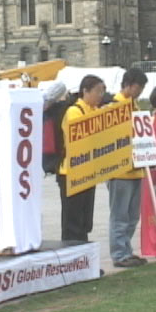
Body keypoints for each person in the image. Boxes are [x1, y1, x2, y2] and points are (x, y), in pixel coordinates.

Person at [107, 68, 148, 268]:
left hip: (136, 167)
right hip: (120, 170)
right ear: (130, 85)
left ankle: (126, 249)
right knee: (120, 215)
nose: (140, 92)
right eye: (138, 87)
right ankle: (119, 253)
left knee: (132, 216)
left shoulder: (135, 106)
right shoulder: (114, 106)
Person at [57, 75, 106, 242]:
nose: (100, 95)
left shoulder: (95, 110)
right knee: (73, 219)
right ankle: (71, 250)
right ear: (85, 91)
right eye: (97, 91)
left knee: (85, 219)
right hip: (71, 172)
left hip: (88, 171)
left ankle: (83, 250)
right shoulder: (74, 111)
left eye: (102, 92)